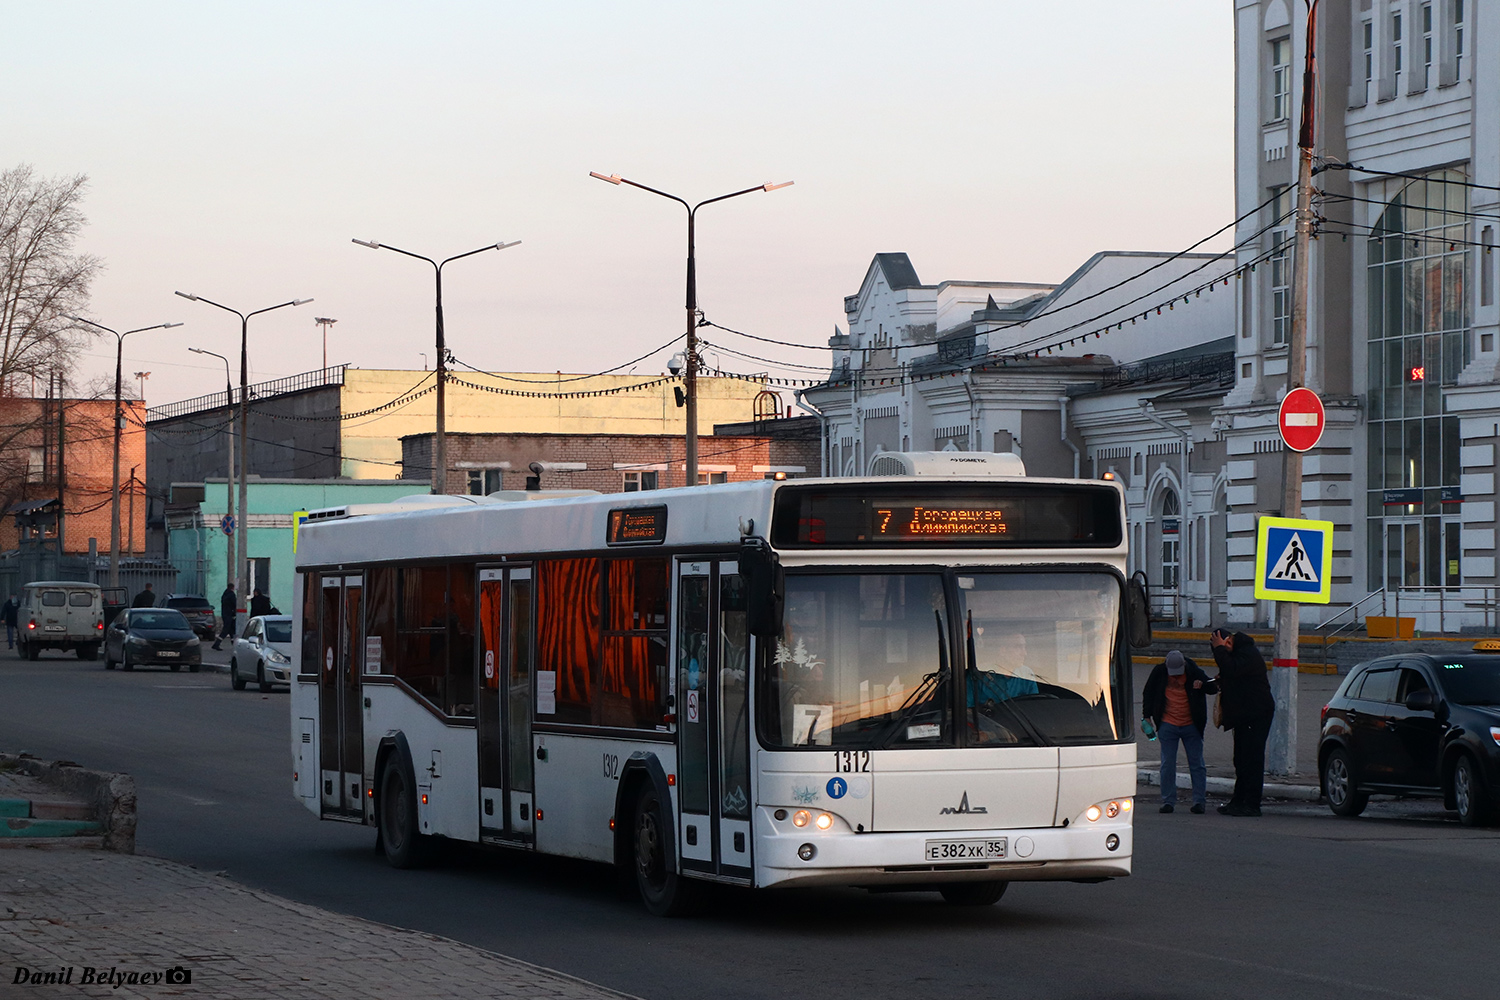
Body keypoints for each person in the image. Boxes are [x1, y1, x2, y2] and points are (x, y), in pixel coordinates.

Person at [1209, 627, 1276, 816]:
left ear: (1230, 640)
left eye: (1226, 644)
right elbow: (1231, 673)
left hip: (1256, 713)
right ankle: (1238, 800)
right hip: (1243, 715)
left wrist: (1220, 650)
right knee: (1240, 759)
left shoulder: (1248, 652)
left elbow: (1232, 669)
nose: (1225, 648)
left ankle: (1252, 804)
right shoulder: (1237, 655)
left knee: (1252, 759)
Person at [1142, 649, 1218, 814]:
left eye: (1178, 673)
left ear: (1184, 665)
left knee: (1197, 764)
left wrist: (1203, 685)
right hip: (1167, 724)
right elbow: (1148, 693)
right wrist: (1146, 717)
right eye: (1173, 673)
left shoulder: (1194, 671)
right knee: (1167, 764)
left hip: (1191, 725)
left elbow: (1213, 687)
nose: (1175, 677)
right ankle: (1168, 801)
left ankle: (1199, 802)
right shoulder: (1159, 672)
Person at [214, 582, 237, 651]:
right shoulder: (231, 595)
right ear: (232, 588)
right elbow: (234, 604)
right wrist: (235, 612)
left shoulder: (224, 594)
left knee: (231, 630)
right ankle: (216, 644)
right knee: (227, 629)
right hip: (230, 614)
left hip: (225, 614)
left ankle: (234, 646)